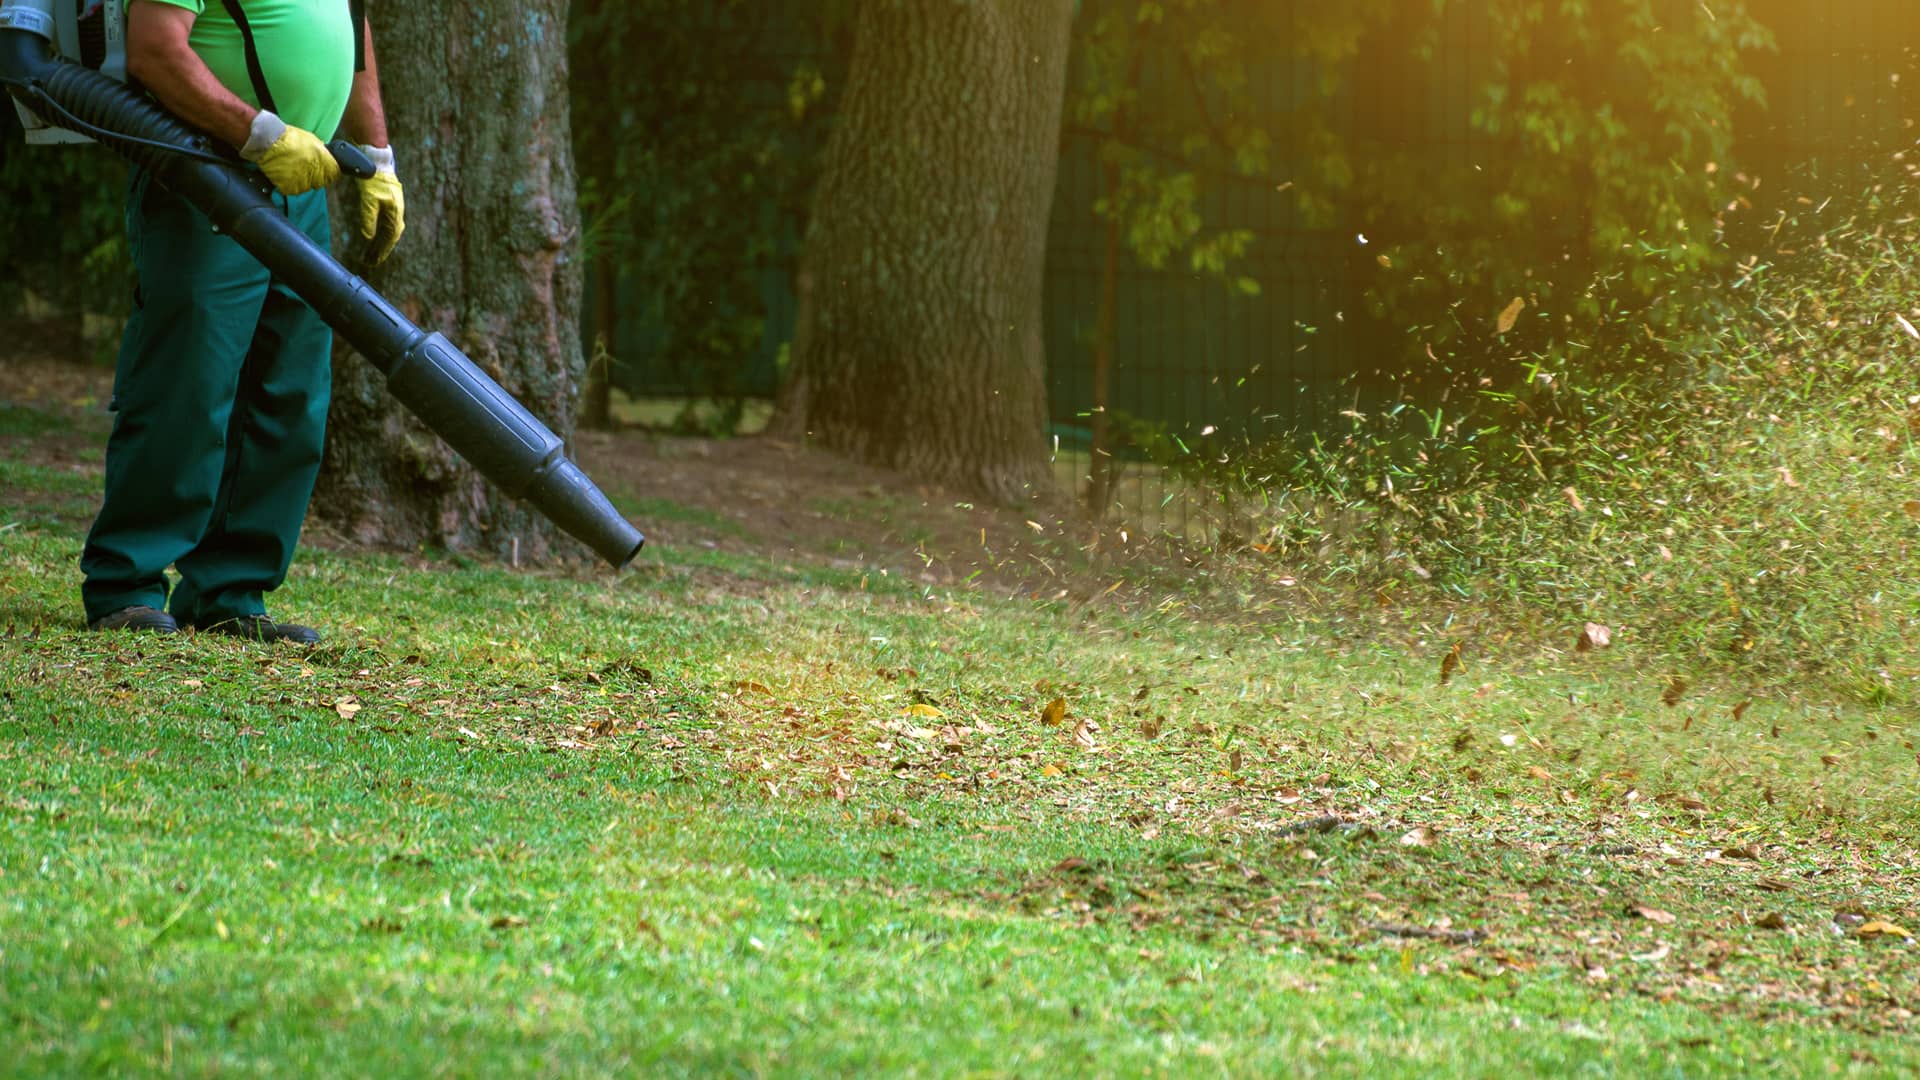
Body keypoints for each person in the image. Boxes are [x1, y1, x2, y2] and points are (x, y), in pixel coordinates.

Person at [78, 0, 404, 643]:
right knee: (187, 384)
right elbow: (156, 50)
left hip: (301, 185)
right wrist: (261, 134)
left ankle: (229, 591)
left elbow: (352, 31)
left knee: (288, 395)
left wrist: (378, 153)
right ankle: (127, 583)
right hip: (206, 169)